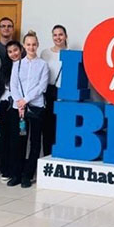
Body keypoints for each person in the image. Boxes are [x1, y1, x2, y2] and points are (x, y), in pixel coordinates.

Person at [9, 31, 49, 188]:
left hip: (36, 107)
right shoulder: (17, 64)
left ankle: (28, 174)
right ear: (24, 46)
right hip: (19, 108)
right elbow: (13, 85)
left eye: (34, 44)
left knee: (34, 142)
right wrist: (20, 102)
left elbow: (42, 86)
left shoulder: (43, 65)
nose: (31, 47)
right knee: (19, 141)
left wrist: (25, 100)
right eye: (28, 44)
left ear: (37, 45)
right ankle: (16, 174)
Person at [0, 40, 24, 182]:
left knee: (16, 140)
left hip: (18, 106)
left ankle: (16, 170)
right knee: (4, 139)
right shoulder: (5, 67)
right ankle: (5, 170)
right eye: (10, 52)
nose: (13, 54)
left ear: (21, 49)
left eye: (15, 50)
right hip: (4, 106)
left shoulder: (26, 65)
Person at [40, 24, 68, 156]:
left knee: (62, 128)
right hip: (48, 93)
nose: (58, 37)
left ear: (66, 36)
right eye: (55, 35)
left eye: (60, 34)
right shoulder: (45, 53)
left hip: (65, 94)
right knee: (48, 128)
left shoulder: (71, 53)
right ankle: (47, 156)